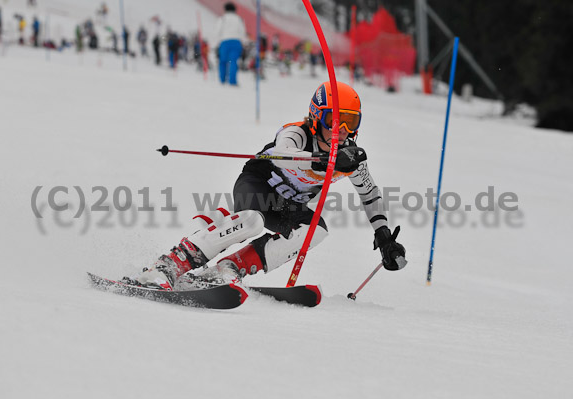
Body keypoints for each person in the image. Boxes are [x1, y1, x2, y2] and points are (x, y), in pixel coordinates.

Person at [126, 81, 407, 291]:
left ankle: (229, 268)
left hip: (288, 204)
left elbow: (370, 194)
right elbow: (285, 157)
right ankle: (169, 265)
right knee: (251, 221)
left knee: (315, 232)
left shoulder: (351, 158)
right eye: (335, 120)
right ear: (317, 115)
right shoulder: (297, 133)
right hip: (258, 184)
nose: (342, 131)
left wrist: (383, 235)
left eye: (350, 122)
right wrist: (325, 161)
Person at [214, 2, 246, 85]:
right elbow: (242, 32)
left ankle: (222, 80)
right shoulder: (239, 19)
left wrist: (217, 43)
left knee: (223, 61)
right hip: (236, 42)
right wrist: (242, 43)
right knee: (233, 62)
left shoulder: (222, 18)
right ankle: (232, 81)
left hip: (225, 42)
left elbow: (218, 31)